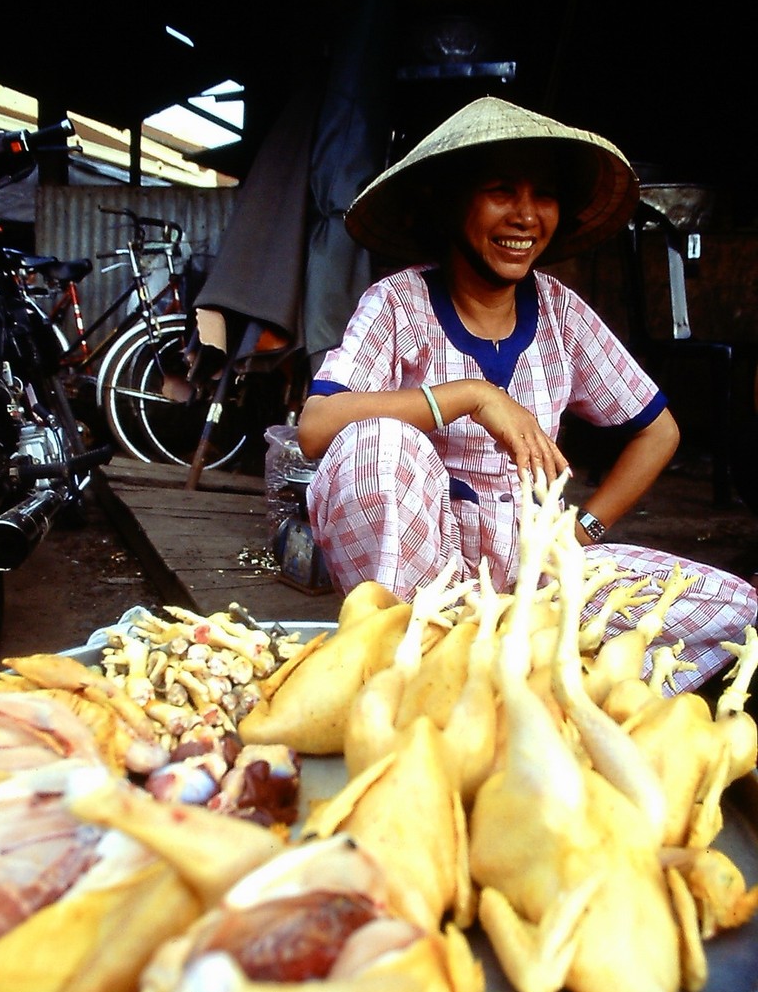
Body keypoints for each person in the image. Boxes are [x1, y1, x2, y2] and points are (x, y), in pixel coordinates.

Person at [297, 96, 757, 693]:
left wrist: (583, 529)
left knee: (733, 609)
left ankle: (530, 686)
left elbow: (659, 430)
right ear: (451, 201)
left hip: (534, 581)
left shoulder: (561, 313)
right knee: (376, 442)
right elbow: (316, 425)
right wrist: (471, 394)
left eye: (543, 195)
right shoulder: (398, 305)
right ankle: (412, 670)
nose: (526, 216)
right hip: (427, 584)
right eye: (499, 190)